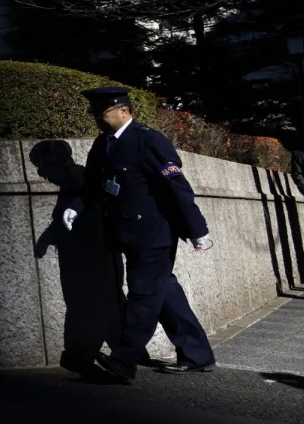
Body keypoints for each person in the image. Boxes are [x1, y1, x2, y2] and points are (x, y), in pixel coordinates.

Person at [62, 87, 215, 383]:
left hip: (153, 234)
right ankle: (197, 354)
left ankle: (123, 360)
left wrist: (197, 229)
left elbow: (176, 187)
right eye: (95, 113)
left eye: (103, 113)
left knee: (143, 295)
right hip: (124, 233)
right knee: (164, 292)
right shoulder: (103, 143)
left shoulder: (148, 140)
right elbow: (93, 183)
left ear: (124, 111)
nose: (98, 118)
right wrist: (76, 207)